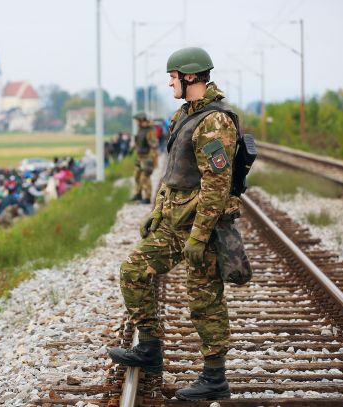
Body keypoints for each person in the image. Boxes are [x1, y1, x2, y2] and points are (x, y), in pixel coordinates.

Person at [108, 47, 240, 401]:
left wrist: (199, 236)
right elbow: (174, 174)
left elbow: (216, 185)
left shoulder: (215, 121)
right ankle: (149, 348)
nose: (170, 83)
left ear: (191, 76)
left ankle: (215, 378)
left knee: (204, 300)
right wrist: (157, 211)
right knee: (133, 270)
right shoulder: (183, 115)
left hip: (203, 227)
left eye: (173, 76)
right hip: (174, 221)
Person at [131, 112, 158, 204]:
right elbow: (138, 141)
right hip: (140, 156)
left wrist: (151, 158)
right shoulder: (140, 129)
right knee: (137, 176)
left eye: (137, 120)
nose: (136, 122)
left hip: (147, 157)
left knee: (145, 178)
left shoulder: (150, 130)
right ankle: (138, 194)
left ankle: (147, 197)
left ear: (142, 120)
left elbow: (154, 144)